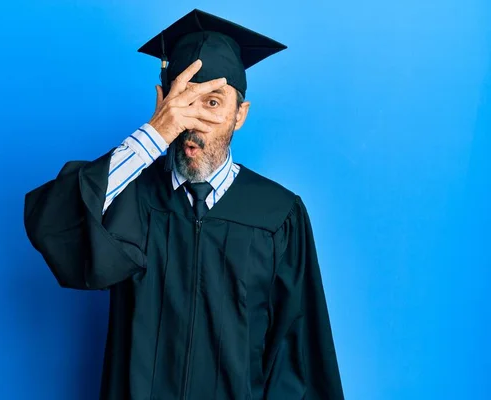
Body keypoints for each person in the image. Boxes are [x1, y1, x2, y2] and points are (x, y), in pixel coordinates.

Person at [24, 8, 345, 400]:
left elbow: (299, 358)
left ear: (239, 115)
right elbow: (55, 225)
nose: (195, 120)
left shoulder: (278, 215)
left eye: (212, 102)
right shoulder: (132, 195)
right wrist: (154, 135)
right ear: (162, 100)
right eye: (184, 99)